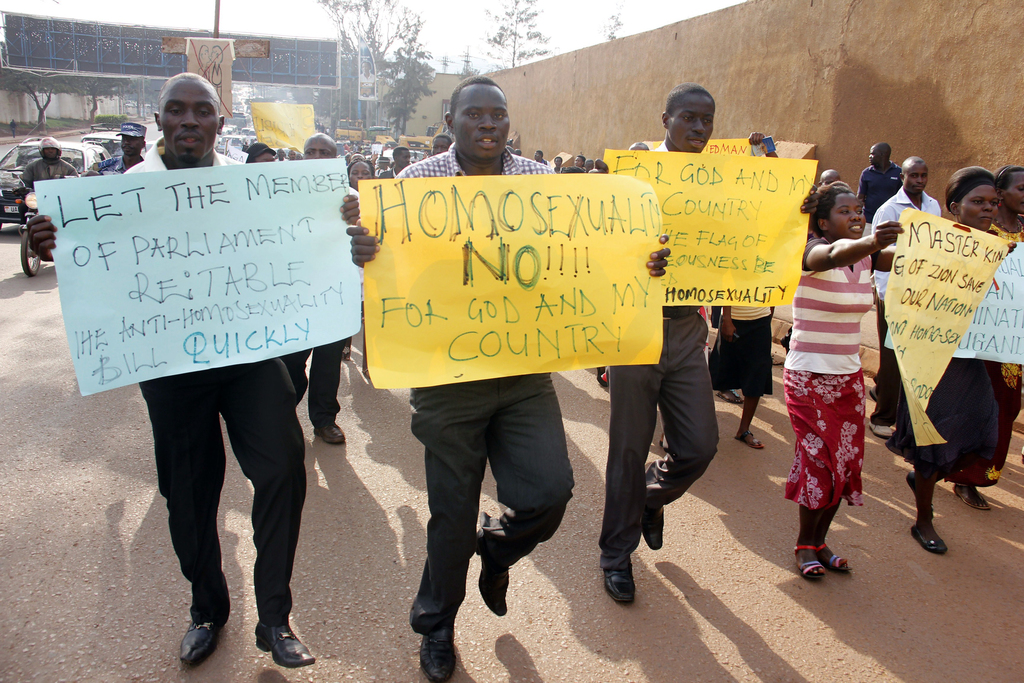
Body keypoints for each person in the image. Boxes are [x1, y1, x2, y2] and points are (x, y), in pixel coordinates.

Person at [346, 75, 670, 683]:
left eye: (498, 115)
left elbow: (588, 249)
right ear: (451, 121)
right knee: (451, 512)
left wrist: (642, 260)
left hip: (523, 371)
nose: (488, 125)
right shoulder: (414, 185)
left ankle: (495, 552)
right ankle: (437, 624)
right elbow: (387, 261)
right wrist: (365, 249)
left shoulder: (540, 184)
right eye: (475, 115)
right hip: (446, 380)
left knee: (550, 493)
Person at [27, 72, 314, 669]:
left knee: (283, 465)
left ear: (220, 121)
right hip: (171, 367)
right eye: (176, 111)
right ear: (159, 122)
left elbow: (303, 242)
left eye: (201, 111)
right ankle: (206, 609)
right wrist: (53, 235)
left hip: (248, 357)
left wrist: (339, 218)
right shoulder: (120, 193)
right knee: (187, 492)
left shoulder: (249, 184)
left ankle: (275, 618)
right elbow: (92, 267)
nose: (189, 120)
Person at [600, 83, 813, 603]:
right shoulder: (635, 174)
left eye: (707, 121)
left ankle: (650, 498)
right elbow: (601, 243)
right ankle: (616, 553)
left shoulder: (725, 178)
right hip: (634, 327)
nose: (698, 129)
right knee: (628, 449)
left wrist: (793, 210)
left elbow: (751, 232)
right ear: (666, 118)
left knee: (699, 446)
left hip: (687, 329)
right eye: (689, 119)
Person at [785, 182, 902, 578]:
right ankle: (804, 544)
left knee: (846, 463)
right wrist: (871, 242)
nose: (856, 217)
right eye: (845, 212)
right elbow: (831, 254)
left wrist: (986, 254)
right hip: (807, 377)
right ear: (822, 221)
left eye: (859, 210)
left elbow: (916, 262)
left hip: (848, 379)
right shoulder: (810, 253)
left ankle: (821, 541)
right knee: (819, 462)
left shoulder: (867, 259)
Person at [888, 167, 1005, 554]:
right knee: (931, 439)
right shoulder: (935, 243)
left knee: (980, 429)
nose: (987, 209)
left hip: (970, 358)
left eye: (992, 203)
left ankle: (927, 476)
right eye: (978, 202)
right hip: (932, 359)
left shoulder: (1004, 249)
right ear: (956, 207)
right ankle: (923, 519)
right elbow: (908, 288)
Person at [945, 165, 1024, 510]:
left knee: (1008, 406)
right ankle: (965, 474)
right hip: (977, 337)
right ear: (1001, 193)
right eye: (1021, 188)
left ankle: (984, 469)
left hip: (1012, 336)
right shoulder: (978, 231)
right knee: (978, 407)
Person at [279, 133, 351, 445]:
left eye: (325, 152)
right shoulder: (281, 194)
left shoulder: (352, 199)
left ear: (337, 159)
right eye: (311, 151)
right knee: (290, 362)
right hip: (292, 294)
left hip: (335, 294)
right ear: (302, 156)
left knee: (327, 363)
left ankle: (324, 421)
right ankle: (280, 416)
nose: (317, 156)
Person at [866, 157, 941, 439]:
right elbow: (878, 254)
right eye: (914, 176)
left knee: (911, 355)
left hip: (922, 294)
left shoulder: (933, 206)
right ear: (902, 177)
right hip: (894, 294)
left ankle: (882, 389)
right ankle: (882, 417)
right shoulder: (889, 209)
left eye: (924, 175)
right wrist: (885, 296)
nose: (919, 180)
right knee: (891, 355)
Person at [708, 304, 774, 449]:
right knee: (717, 372)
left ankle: (743, 430)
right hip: (733, 320)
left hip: (761, 319)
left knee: (757, 373)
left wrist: (770, 314)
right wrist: (727, 319)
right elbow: (727, 284)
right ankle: (700, 427)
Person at [857, 142, 902, 223]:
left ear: (882, 155)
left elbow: (902, 196)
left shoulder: (898, 172)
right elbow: (860, 198)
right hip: (869, 220)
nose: (869, 156)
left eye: (872, 154)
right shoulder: (866, 173)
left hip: (891, 219)